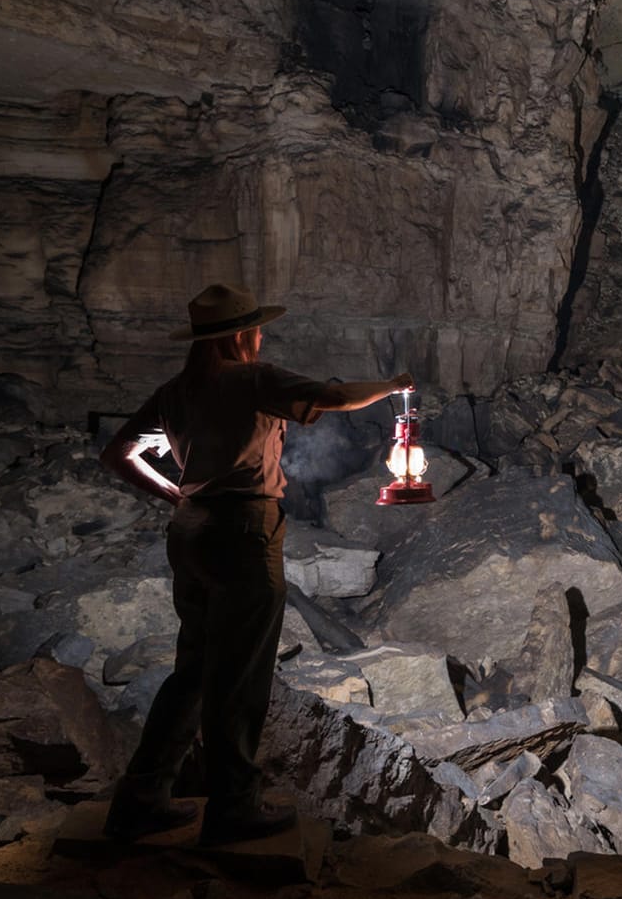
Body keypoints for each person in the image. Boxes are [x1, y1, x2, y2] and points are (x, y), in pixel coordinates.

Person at [99, 283, 417, 844]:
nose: (262, 336)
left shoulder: (176, 390)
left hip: (191, 528)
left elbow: (120, 454)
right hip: (244, 532)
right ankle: (233, 807)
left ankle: (141, 797)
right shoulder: (251, 378)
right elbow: (331, 396)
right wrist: (391, 387)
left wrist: (177, 494)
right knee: (240, 676)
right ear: (241, 335)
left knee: (194, 670)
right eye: (257, 329)